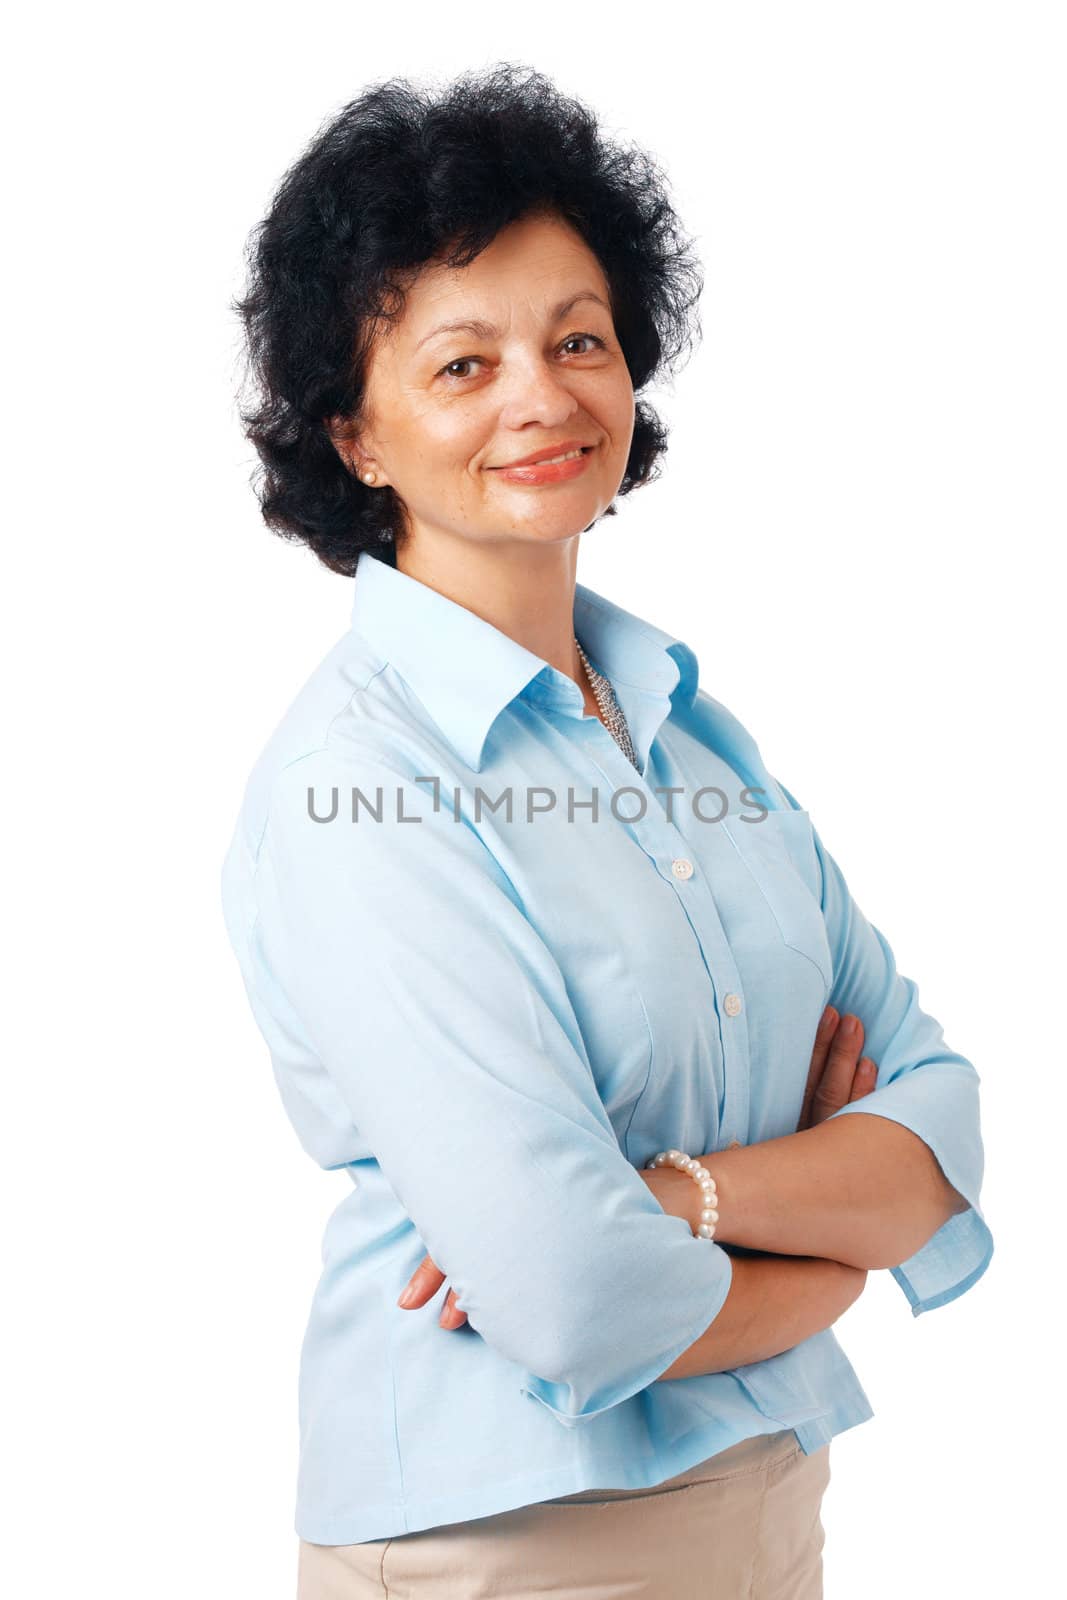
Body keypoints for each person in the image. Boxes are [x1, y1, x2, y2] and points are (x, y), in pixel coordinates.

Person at [220, 62, 994, 1599]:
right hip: (506, 1548)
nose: (544, 394)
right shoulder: (354, 788)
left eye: (579, 339)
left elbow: (940, 1121)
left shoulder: (689, 728)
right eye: (461, 364)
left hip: (768, 1499)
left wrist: (679, 1203)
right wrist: (838, 1244)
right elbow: (573, 1293)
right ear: (355, 439)